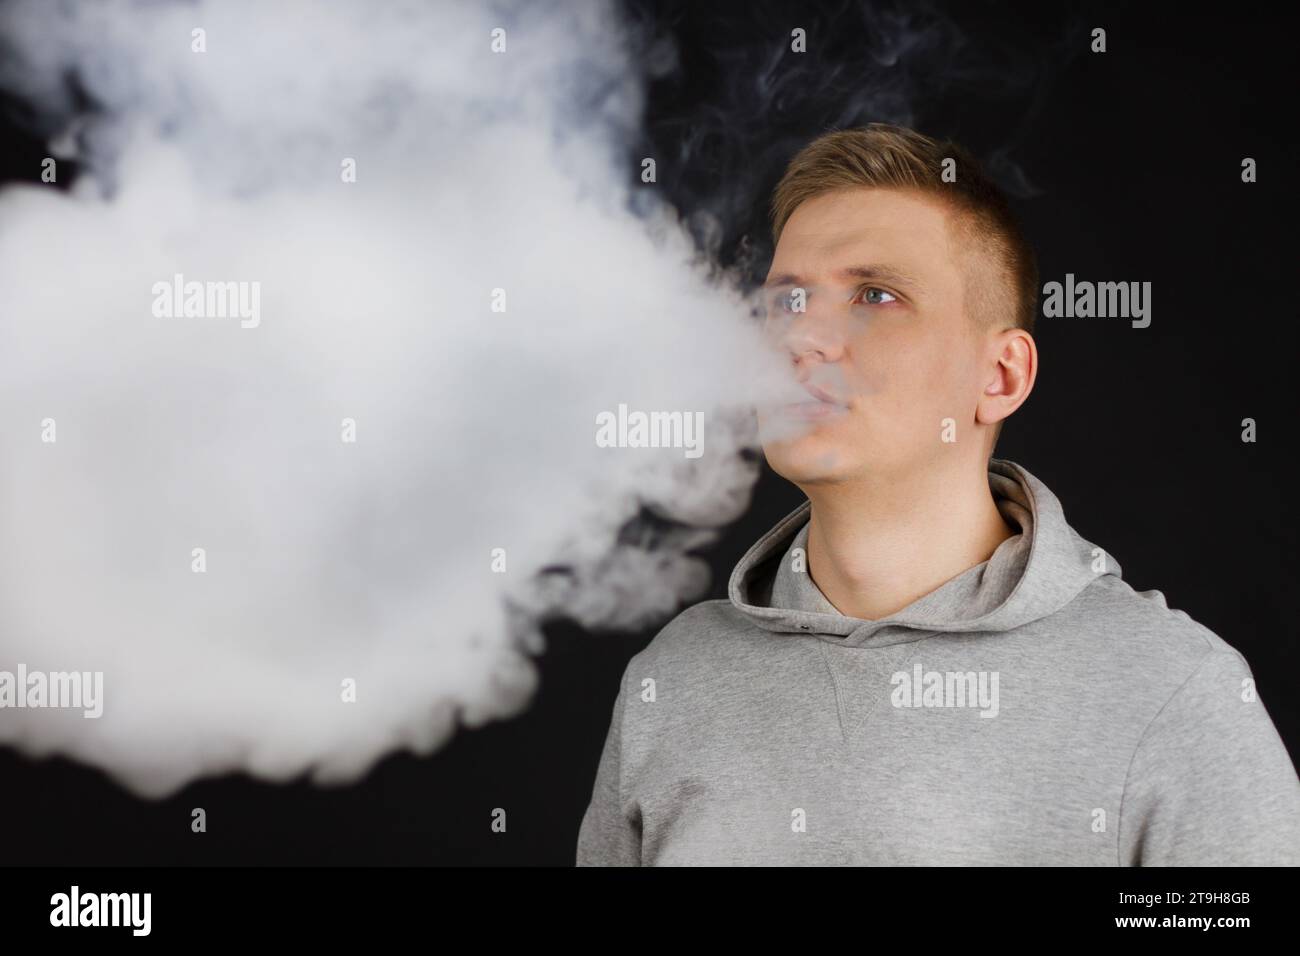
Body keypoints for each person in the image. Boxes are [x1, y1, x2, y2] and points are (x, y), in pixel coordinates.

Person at [576, 123, 1300, 865]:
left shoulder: (1174, 693)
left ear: (1001, 377)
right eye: (789, 301)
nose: (803, 340)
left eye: (875, 294)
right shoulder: (675, 682)